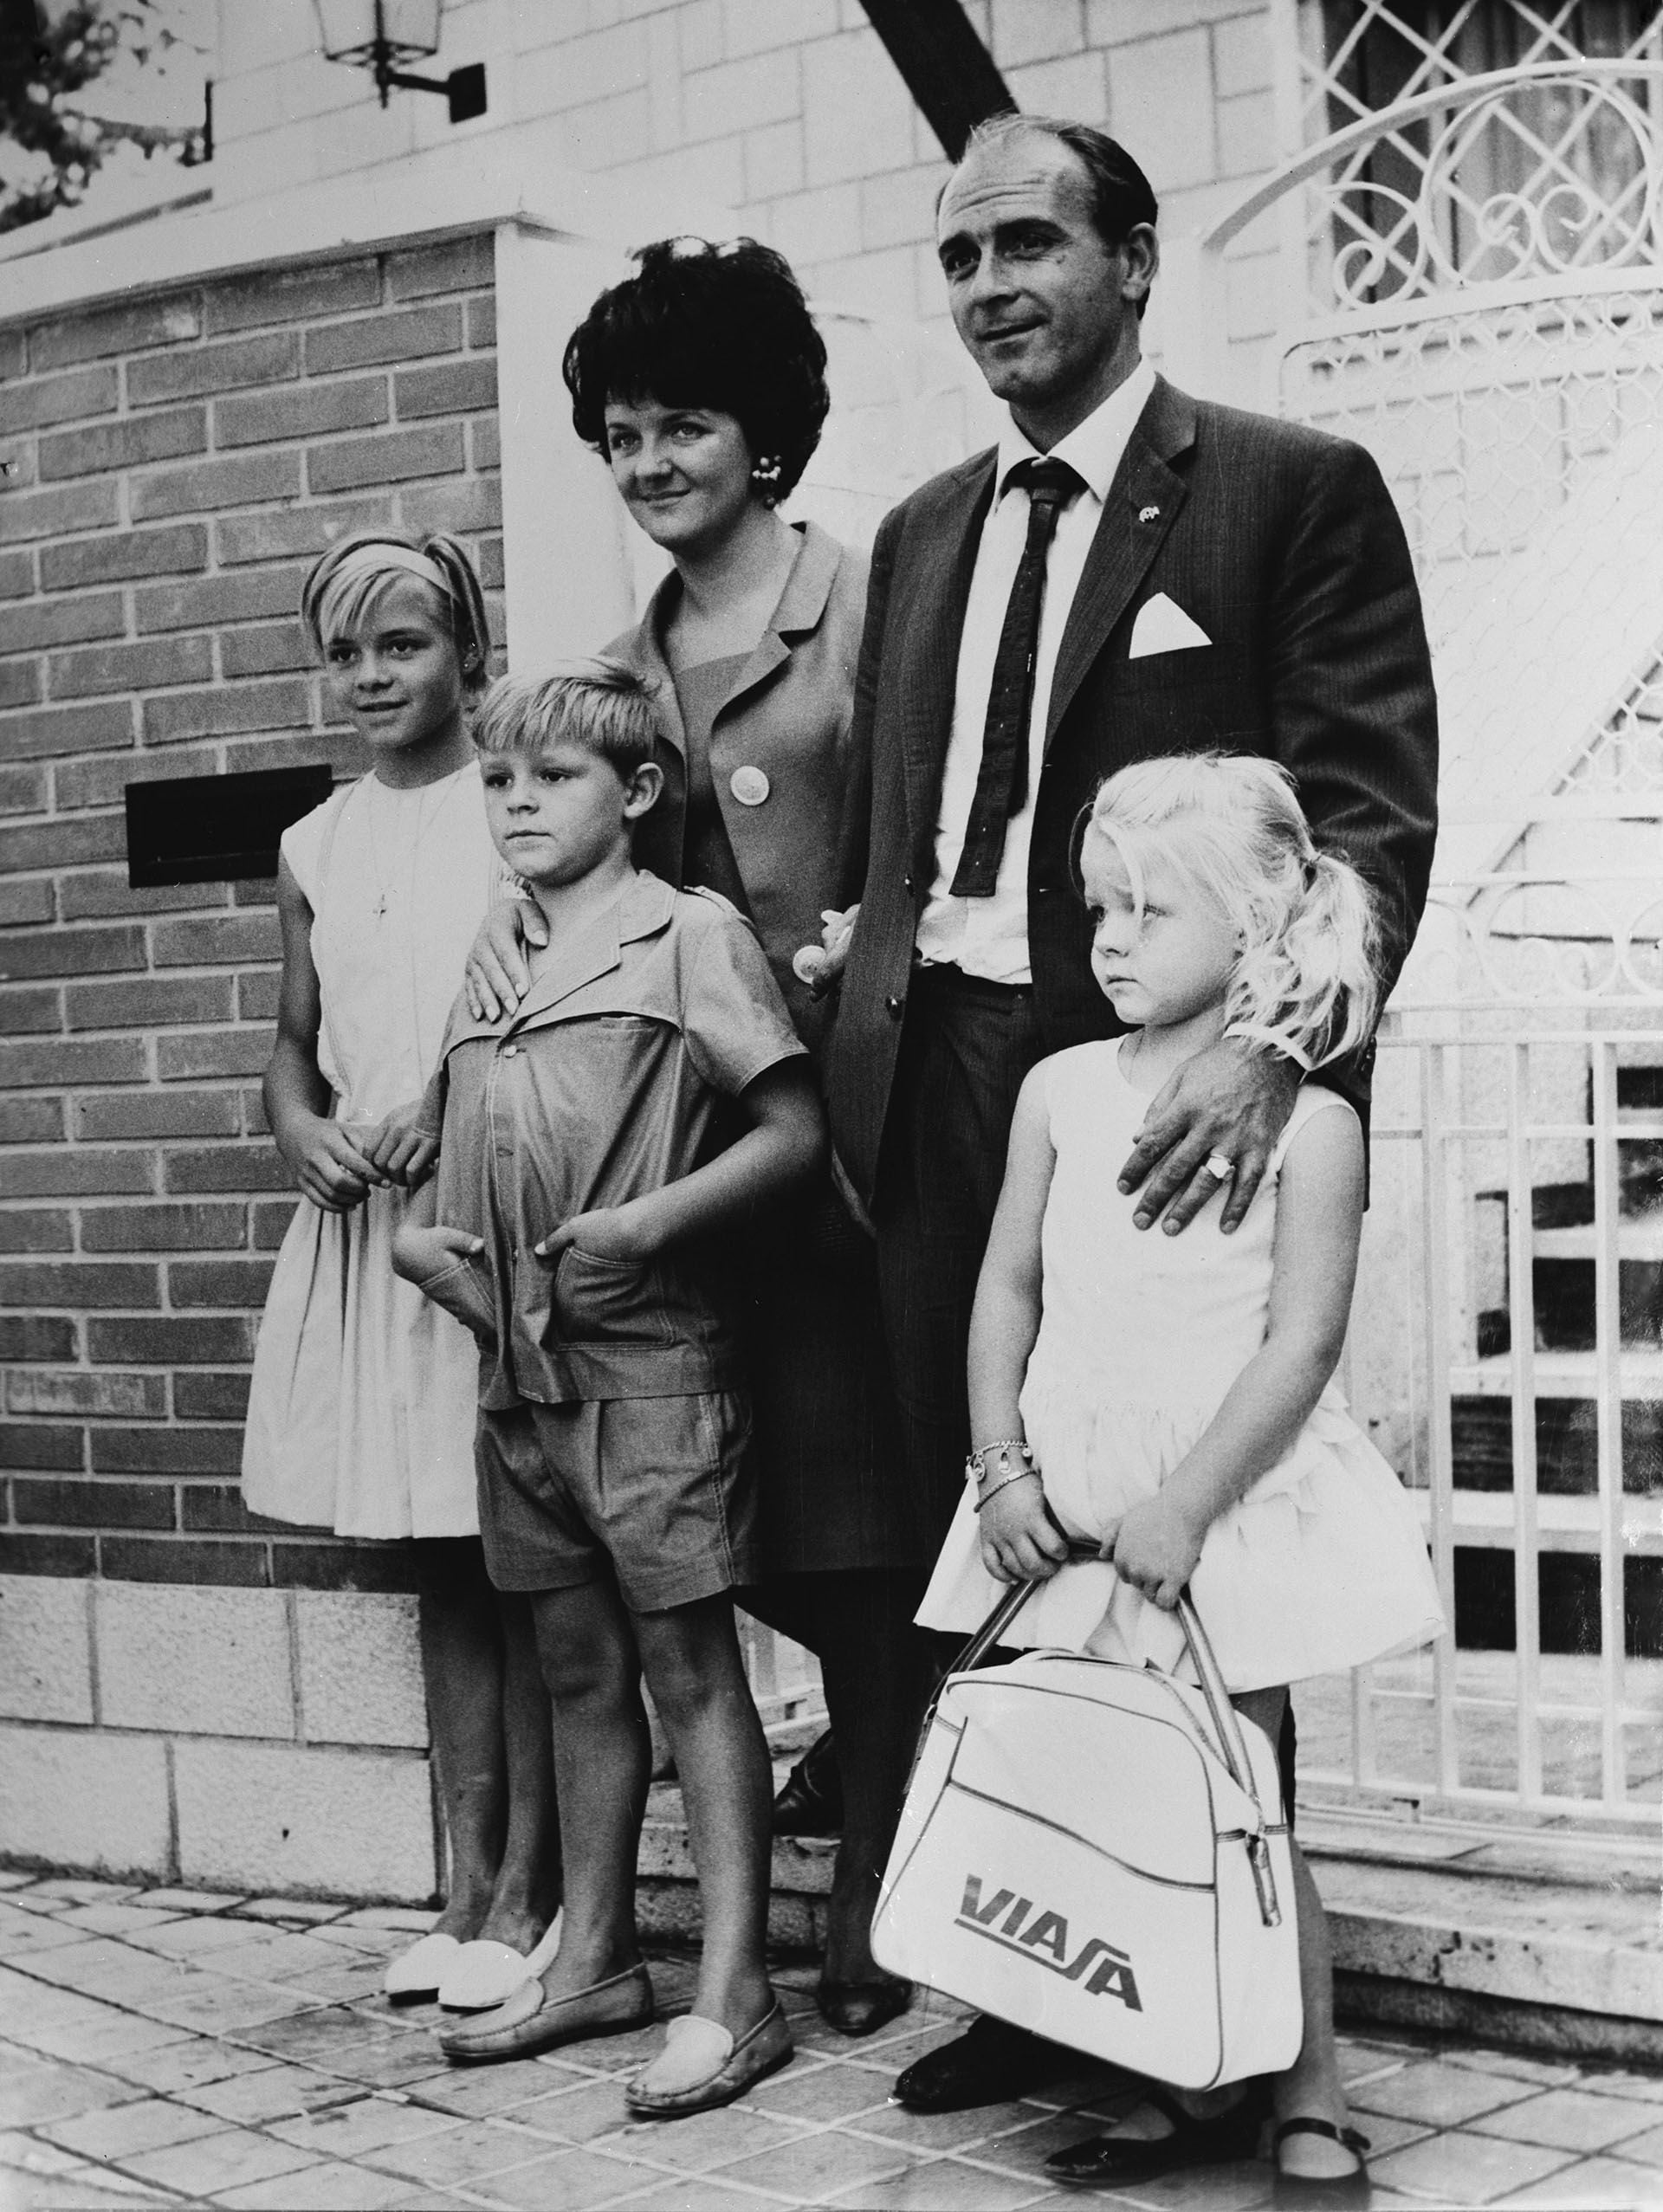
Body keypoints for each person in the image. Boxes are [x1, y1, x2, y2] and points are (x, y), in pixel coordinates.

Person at [820, 113, 1439, 2115]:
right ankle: (1032, 1970)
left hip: (1184, 1093)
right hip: (960, 1104)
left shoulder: (1283, 489)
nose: (991, 283)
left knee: (1187, 1571)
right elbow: (899, 838)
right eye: (960, 254)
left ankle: (1237, 1993)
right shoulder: (919, 529)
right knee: (995, 1542)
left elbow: (1364, 814)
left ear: (1135, 260)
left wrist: (1279, 1051)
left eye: (1029, 243)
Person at [466, 237, 930, 2035]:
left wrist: (869, 952)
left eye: (686, 424)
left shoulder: (882, 596)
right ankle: (842, 1838)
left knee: (876, 1525)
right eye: (622, 432)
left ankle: (877, 1876)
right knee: (775, 1527)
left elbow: (954, 825)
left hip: (882, 1141)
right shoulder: (616, 672)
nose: (651, 460)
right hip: (710, 1173)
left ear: (767, 432)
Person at [920, 754, 1444, 2189]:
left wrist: (1190, 1502)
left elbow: (1303, 1341)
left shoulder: (1310, 1124)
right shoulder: (1057, 1091)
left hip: (1210, 1501)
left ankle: (1308, 2087)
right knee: (1113, 1793)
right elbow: (1006, 1290)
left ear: (1257, 926)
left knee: (1243, 1794)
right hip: (1067, 1499)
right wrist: (1000, 1466)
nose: (1109, 940)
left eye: (1150, 911)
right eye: (1100, 907)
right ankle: (1170, 2070)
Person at [393, 665, 825, 2119]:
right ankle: (593, 1959)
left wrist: (651, 1224)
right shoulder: (495, 943)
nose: (517, 802)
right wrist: (427, 1253)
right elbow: (457, 1146)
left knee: (688, 1669)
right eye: (500, 781)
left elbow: (791, 1132)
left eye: (553, 779)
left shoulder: (686, 934)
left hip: (650, 1371)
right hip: (514, 1377)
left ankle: (736, 1987)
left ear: (636, 794)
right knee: (577, 1673)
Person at [243, 531, 560, 2015]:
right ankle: (465, 1879)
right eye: (348, 652)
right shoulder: (317, 843)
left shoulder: (513, 810)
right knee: (444, 1558)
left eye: (406, 645)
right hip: (374, 1228)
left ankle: (538, 1887)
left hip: (482, 1216)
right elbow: (296, 1042)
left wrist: (454, 1098)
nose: (375, 676)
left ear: (466, 649)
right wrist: (301, 1124)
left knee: (526, 1551)